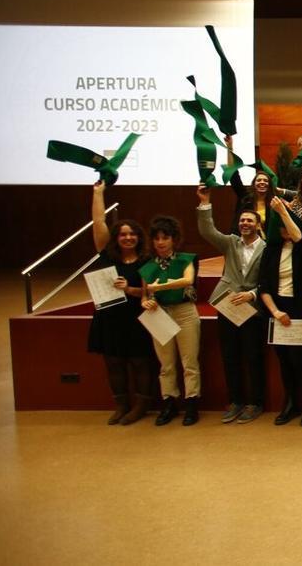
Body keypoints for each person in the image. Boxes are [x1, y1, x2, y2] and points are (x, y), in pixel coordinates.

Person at [197, 184, 268, 424]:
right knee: (230, 356)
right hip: (227, 305)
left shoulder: (267, 250)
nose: (245, 223)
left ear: (258, 225)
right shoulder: (230, 243)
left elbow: (269, 282)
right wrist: (205, 202)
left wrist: (253, 295)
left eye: (249, 220)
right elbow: (207, 231)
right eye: (242, 220)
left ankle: (255, 403)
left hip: (251, 309)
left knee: (252, 357)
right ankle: (236, 401)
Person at [87, 181, 153, 425]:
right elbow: (98, 223)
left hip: (136, 317)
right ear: (116, 237)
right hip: (109, 317)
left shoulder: (147, 260)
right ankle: (121, 405)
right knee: (113, 362)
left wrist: (130, 289)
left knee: (139, 361)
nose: (127, 237)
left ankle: (140, 406)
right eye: (123, 234)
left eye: (132, 234)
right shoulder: (106, 255)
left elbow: (150, 293)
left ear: (138, 237)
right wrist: (98, 193)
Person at [258, 196, 302, 426]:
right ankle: (291, 403)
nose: (285, 230)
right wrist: (275, 312)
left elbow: (300, 237)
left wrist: (284, 211)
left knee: (299, 360)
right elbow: (263, 286)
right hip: (277, 311)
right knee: (283, 361)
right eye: (281, 226)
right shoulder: (270, 251)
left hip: (297, 309)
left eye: (287, 225)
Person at [139, 215, 201, 426]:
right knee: (166, 364)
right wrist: (146, 302)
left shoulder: (186, 259)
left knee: (189, 362)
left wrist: (159, 287)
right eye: (156, 238)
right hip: (159, 314)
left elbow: (187, 280)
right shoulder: (147, 266)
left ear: (174, 239)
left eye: (165, 237)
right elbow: (145, 295)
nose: (161, 242)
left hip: (185, 312)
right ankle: (169, 402)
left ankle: (192, 402)